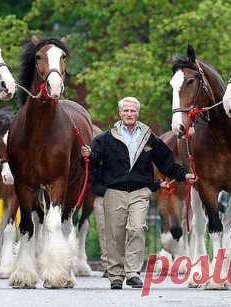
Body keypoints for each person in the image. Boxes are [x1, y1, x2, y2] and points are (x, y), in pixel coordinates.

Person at [82, 97, 196, 289]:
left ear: (138, 113)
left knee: (136, 228)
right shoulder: (105, 139)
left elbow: (166, 162)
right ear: (120, 113)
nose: (129, 114)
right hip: (114, 192)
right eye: (126, 111)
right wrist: (88, 158)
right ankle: (116, 275)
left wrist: (184, 175)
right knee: (115, 234)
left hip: (140, 191)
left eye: (133, 111)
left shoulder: (148, 137)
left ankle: (133, 272)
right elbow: (93, 164)